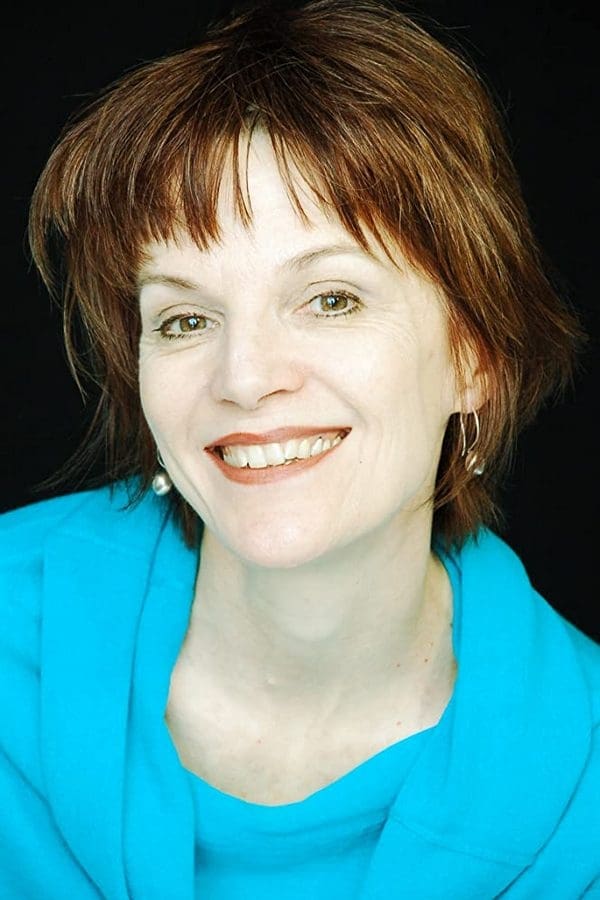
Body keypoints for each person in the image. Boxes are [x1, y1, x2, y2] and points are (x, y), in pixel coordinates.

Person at [1, 0, 599, 896]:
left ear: (473, 359)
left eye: (330, 300)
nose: (244, 378)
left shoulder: (586, 792)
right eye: (185, 318)